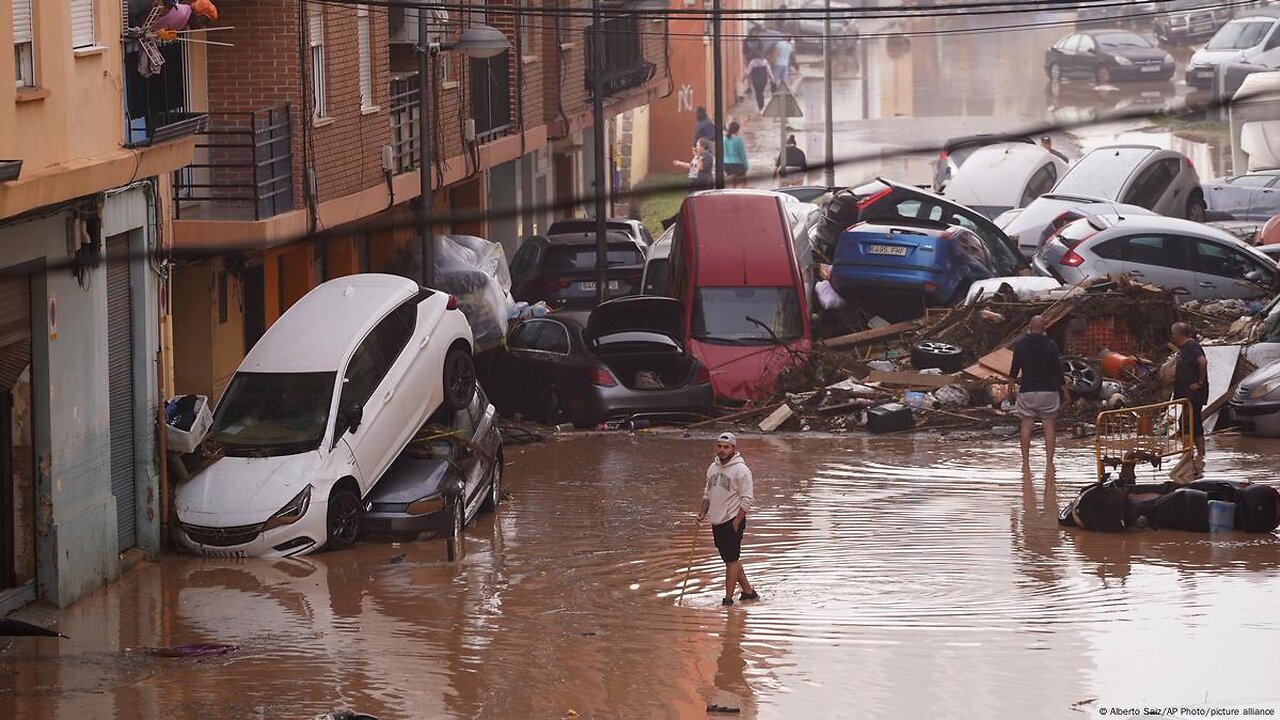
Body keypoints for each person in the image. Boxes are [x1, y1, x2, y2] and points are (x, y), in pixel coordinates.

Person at [696, 432, 758, 607]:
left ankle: (728, 600)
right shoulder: (712, 468)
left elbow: (748, 499)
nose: (722, 450)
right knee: (731, 558)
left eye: (726, 447)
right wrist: (701, 513)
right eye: (719, 446)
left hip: (732, 520)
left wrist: (736, 522)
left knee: (731, 560)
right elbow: (707, 494)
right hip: (716, 520)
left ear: (733, 448)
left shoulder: (741, 470)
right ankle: (748, 592)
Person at [1009, 315, 1067, 478]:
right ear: (1044, 328)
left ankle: (1026, 462)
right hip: (1048, 391)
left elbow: (1014, 369)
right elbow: (1057, 369)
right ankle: (1049, 463)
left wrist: (1010, 387)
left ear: (1029, 326)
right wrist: (1065, 391)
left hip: (1027, 391)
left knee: (1026, 426)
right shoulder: (1050, 345)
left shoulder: (1020, 345)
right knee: (1049, 426)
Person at [1171, 321, 1209, 474]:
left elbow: (1203, 362)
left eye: (1173, 334)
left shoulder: (1192, 346)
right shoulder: (1186, 348)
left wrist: (1199, 382)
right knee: (1195, 422)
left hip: (1194, 394)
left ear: (1177, 334)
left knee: (1186, 422)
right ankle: (1200, 454)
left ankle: (1188, 454)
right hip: (1189, 395)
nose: (1172, 337)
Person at [722, 121, 748, 188]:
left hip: (726, 165)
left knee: (731, 185)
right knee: (742, 185)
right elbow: (742, 155)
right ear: (737, 130)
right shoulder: (738, 140)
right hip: (738, 165)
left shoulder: (723, 139)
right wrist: (746, 166)